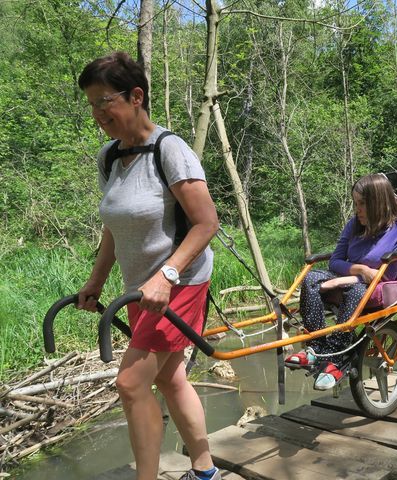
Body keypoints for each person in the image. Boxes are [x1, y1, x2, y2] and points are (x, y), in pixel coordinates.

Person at [75, 52, 221, 480]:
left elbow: (206, 222)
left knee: (131, 383)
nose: (98, 113)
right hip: (139, 288)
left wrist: (169, 275)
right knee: (171, 378)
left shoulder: (169, 149)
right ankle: (205, 469)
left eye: (106, 101)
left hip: (181, 283)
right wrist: (96, 281)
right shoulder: (109, 157)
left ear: (136, 96)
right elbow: (113, 230)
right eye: (92, 104)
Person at [286, 174, 397, 390]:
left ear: (378, 203)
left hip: (373, 282)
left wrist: (346, 280)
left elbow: (385, 275)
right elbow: (335, 260)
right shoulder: (354, 224)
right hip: (353, 275)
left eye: (362, 204)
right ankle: (316, 348)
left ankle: (338, 359)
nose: (358, 210)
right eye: (356, 204)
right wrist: (359, 270)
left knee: (355, 289)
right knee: (311, 278)